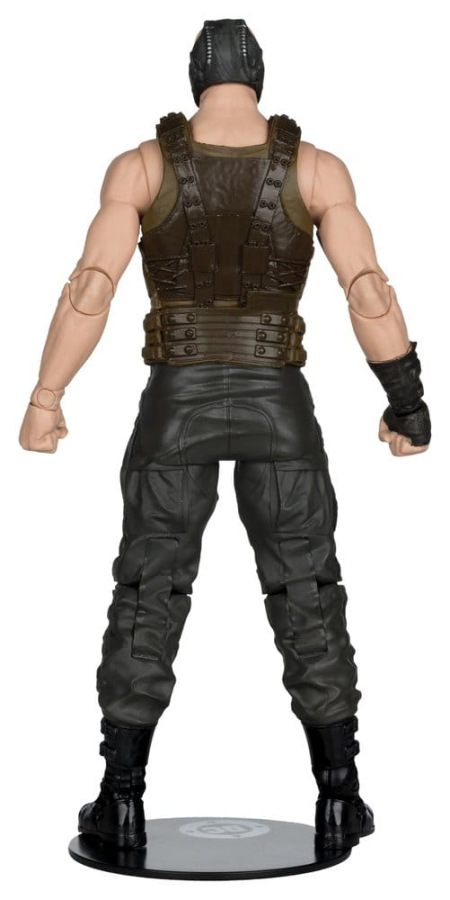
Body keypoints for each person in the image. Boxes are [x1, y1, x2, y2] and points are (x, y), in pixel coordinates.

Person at [19, 18, 431, 853]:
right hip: (279, 404)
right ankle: (340, 797)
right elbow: (368, 290)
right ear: (259, 76)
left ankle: (121, 801)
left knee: (149, 591)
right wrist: (407, 400)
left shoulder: (141, 167)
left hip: (177, 404)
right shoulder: (316, 169)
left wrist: (45, 395)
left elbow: (91, 287)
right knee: (308, 590)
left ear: (195, 77)